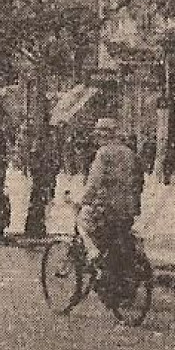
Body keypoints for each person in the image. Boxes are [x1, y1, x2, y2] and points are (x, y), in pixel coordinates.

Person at [76, 117, 143, 286]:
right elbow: (138, 181)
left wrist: (83, 200)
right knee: (118, 236)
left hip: (107, 207)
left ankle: (95, 256)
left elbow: (94, 182)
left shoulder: (103, 153)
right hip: (128, 208)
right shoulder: (130, 153)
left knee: (82, 221)